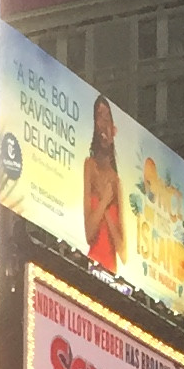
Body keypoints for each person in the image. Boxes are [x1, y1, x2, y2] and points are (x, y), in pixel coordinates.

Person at [81, 95, 126, 272]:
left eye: (107, 117)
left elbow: (123, 253)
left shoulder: (117, 181)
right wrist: (103, 201)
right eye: (99, 116)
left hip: (112, 273)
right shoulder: (90, 166)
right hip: (92, 266)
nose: (103, 122)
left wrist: (106, 207)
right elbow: (88, 233)